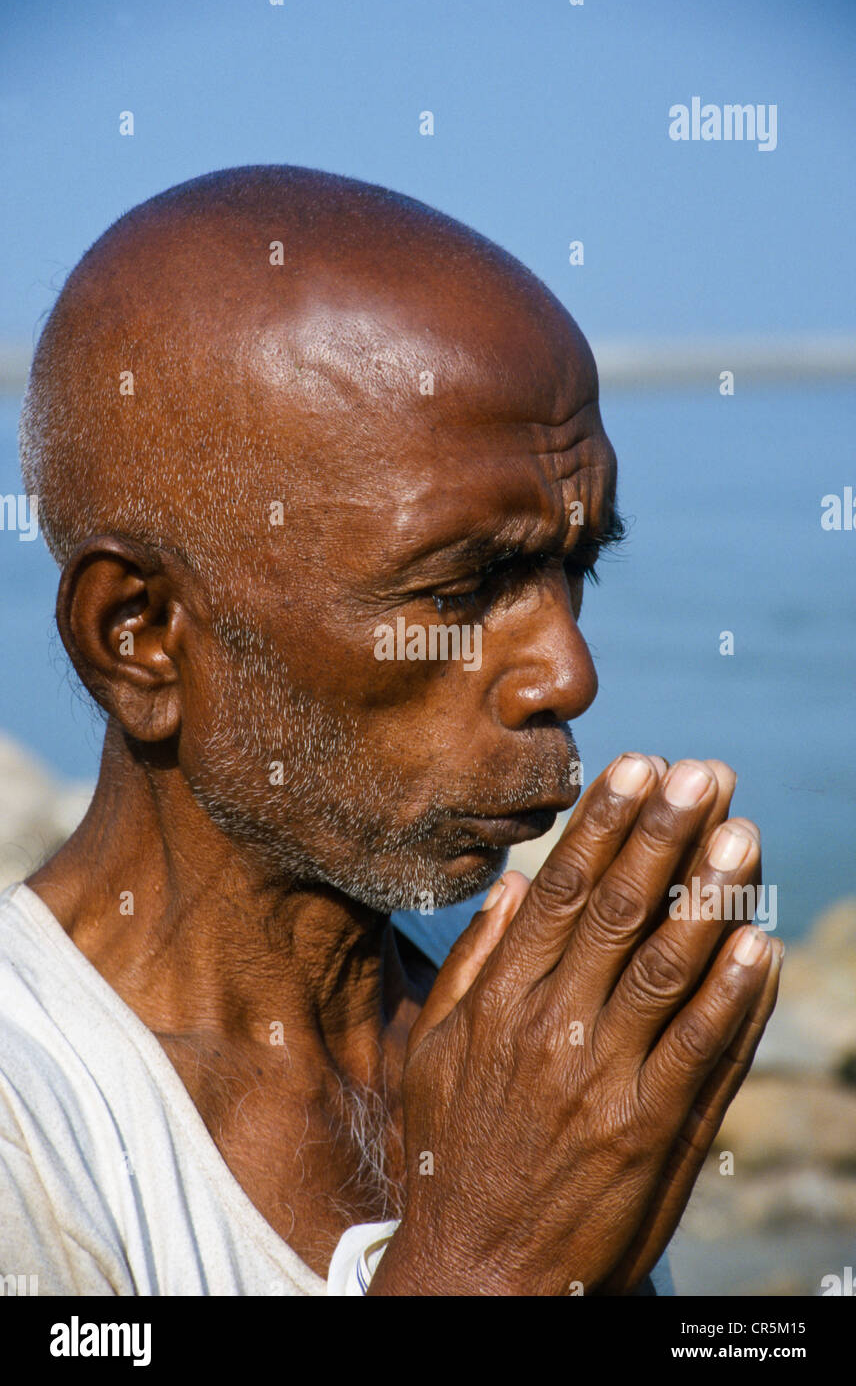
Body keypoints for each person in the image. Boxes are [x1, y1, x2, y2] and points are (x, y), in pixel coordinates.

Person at [0, 166, 781, 1296]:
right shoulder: (38, 1128)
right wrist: (483, 1267)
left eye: (576, 565)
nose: (568, 671)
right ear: (142, 636)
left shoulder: (520, 1064)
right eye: (462, 589)